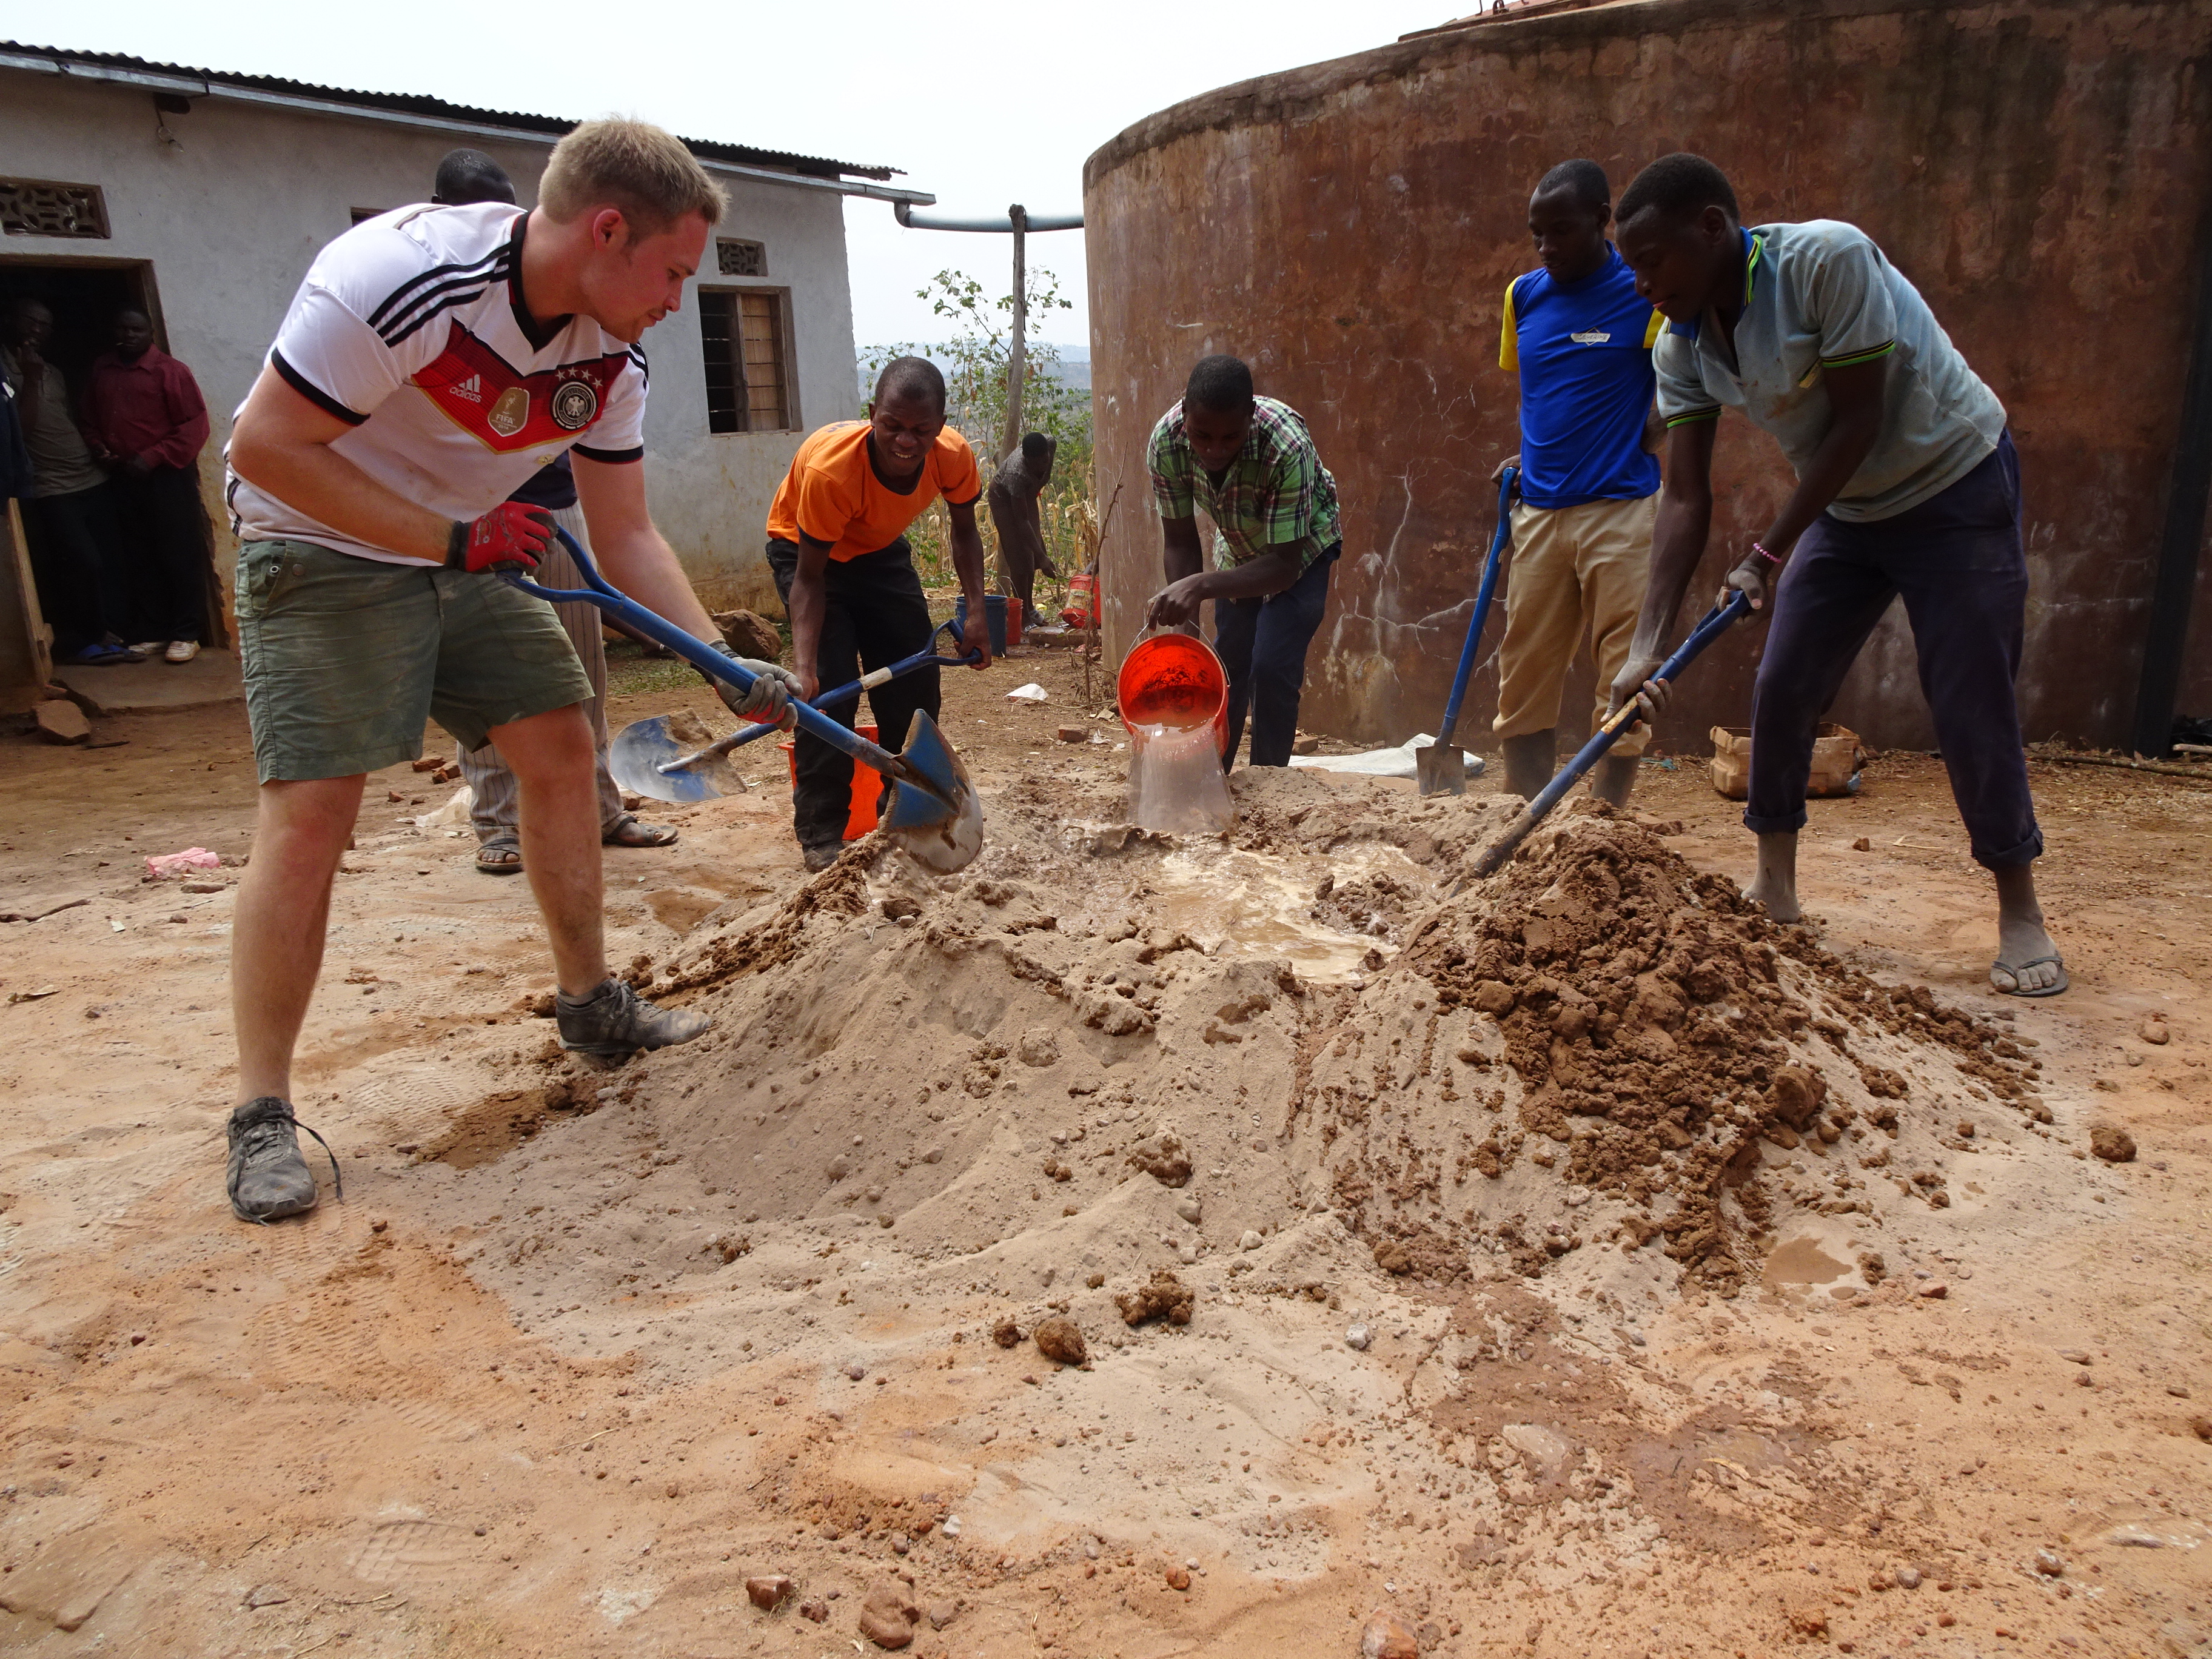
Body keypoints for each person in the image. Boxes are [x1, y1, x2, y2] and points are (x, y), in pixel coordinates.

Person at [221, 118, 797, 1224]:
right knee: (312, 815)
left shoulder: (612, 349)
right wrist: (447, 542)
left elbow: (624, 534)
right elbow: (261, 447)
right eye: (674, 272)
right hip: (322, 544)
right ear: (607, 229)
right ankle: (260, 1113)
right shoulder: (400, 284)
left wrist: (719, 661)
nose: (680, 299)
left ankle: (588, 1003)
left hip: (464, 537)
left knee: (560, 745)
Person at [1610, 152, 2063, 997]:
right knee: (1785, 681)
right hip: (1851, 513)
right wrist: (1646, 645)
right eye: (1630, 268)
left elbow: (1860, 422)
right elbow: (1683, 496)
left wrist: (1764, 557)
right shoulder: (1681, 345)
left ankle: (2020, 910)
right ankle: (1774, 888)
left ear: (1712, 228)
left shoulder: (1827, 261)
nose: (1640, 284)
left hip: (1952, 484)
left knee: (1967, 692)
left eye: (1651, 261)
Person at [425, 147, 677, 874]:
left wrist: (717, 658)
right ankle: (501, 825)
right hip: (466, 529)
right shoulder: (441, 298)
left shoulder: (593, 333)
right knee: (487, 688)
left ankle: (600, 809)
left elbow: (627, 525)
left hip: (552, 514)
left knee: (581, 680)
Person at [764, 358, 993, 871]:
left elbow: (965, 531)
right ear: (873, 415)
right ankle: (823, 836)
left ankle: (902, 821)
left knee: (914, 688)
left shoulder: (953, 456)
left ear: (940, 425)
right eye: (892, 426)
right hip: (807, 555)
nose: (906, 442)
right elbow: (809, 580)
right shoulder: (833, 472)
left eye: (921, 430)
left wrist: (977, 613)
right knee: (827, 697)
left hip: (878, 551)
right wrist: (805, 668)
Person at [1493, 159, 1665, 806]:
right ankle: (1528, 814)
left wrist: (1642, 436)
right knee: (1525, 669)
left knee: (1622, 671)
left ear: (1602, 221)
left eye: (1561, 231)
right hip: (1539, 512)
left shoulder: (1643, 292)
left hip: (1621, 511)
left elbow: (1686, 384)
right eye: (1537, 234)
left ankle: (1605, 820)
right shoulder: (1523, 297)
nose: (1547, 247)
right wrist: (1526, 455)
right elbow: (1543, 393)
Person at [1142, 355, 1341, 768]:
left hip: (1301, 554)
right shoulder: (1166, 442)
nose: (1215, 450)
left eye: (1231, 438)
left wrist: (1201, 585)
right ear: (1184, 415)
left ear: (1250, 417)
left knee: (1271, 668)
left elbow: (1284, 566)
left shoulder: (1286, 446)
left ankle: (1269, 784)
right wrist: (1186, 632)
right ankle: (1215, 777)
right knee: (1226, 669)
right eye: (1202, 436)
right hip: (1237, 548)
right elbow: (1179, 540)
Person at [0, 298, 137, 665]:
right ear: (12, 320)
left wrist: (98, 449)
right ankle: (84, 640)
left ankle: (111, 635)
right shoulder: (7, 370)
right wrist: (28, 377)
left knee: (110, 562)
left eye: (45, 325)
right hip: (51, 486)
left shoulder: (53, 371)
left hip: (90, 477)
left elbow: (69, 420)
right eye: (31, 321)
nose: (37, 330)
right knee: (81, 563)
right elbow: (21, 431)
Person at [84, 308, 213, 663]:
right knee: (139, 555)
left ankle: (187, 633)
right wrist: (100, 448)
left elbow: (194, 426)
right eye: (122, 328)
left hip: (166, 476)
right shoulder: (103, 369)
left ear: (151, 332)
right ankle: (154, 631)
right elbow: (89, 419)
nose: (128, 335)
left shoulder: (170, 371)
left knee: (178, 553)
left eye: (136, 329)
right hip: (123, 476)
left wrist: (152, 458)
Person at [987, 431, 1057, 629]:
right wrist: (1043, 558)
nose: (1044, 465)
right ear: (1027, 459)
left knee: (1033, 552)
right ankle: (1023, 617)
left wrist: (1040, 556)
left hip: (1027, 493)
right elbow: (1022, 520)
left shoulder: (1049, 444)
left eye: (1046, 460)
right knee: (1020, 557)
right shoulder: (1016, 474)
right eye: (1039, 463)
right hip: (1003, 499)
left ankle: (1031, 608)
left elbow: (1030, 527)